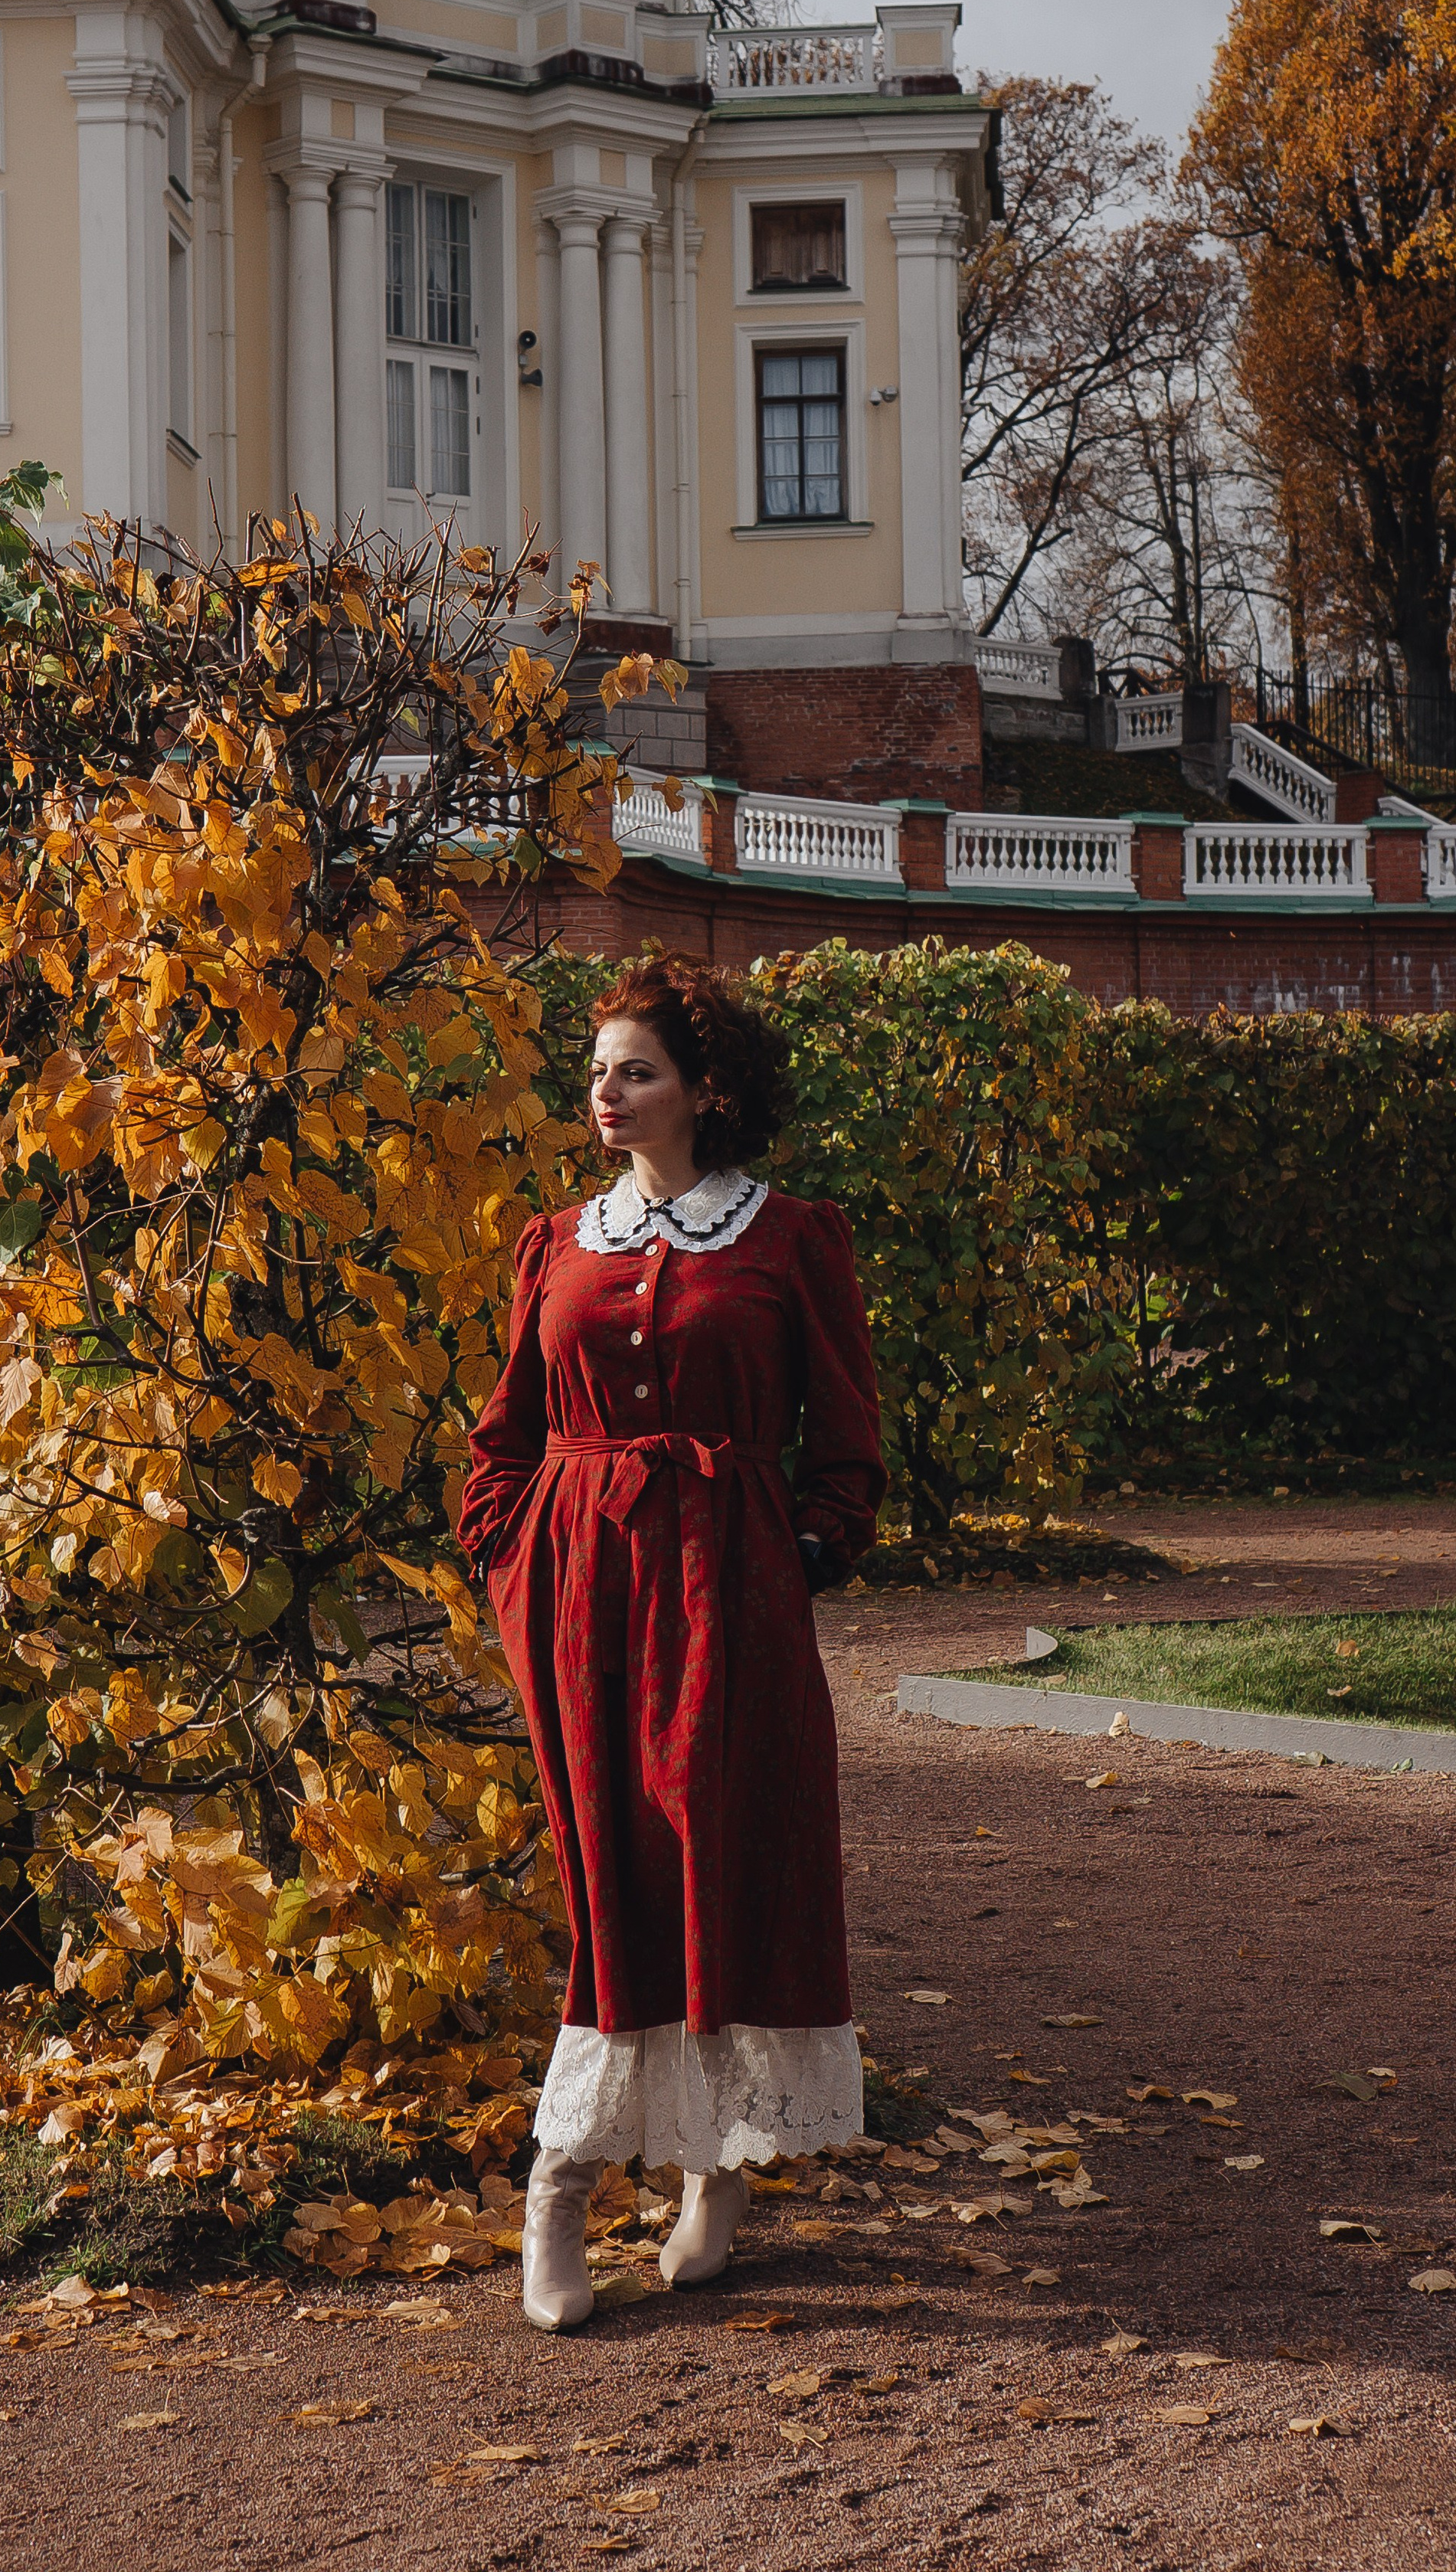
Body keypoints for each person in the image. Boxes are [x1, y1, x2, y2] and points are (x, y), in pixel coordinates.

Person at [457, 957, 886, 2332]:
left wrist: (806, 1550)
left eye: (635, 1069)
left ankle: (714, 2170)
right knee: (611, 1871)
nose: (607, 1090)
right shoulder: (556, 1243)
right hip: (582, 1587)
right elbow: (506, 1429)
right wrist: (507, 1551)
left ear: (705, 1090)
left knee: (720, 1848)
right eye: (597, 1070)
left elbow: (849, 1435)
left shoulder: (787, 1238)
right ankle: (563, 2181)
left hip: (733, 1590)